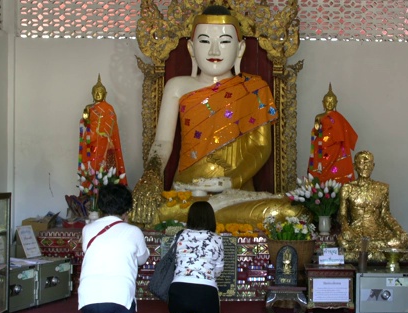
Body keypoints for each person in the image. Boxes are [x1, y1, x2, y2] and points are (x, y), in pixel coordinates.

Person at [131, 5, 306, 227]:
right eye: (204, 42)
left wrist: (230, 181)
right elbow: (163, 142)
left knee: (288, 211)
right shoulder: (177, 87)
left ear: (240, 49)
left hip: (234, 196)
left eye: (224, 42)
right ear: (191, 48)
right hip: (188, 195)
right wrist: (151, 174)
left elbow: (261, 149)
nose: (214, 51)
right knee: (146, 210)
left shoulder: (254, 88)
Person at [67, 184, 149, 313]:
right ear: (127, 208)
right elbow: (142, 259)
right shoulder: (134, 231)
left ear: (100, 206)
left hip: (88, 296)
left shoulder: (87, 229)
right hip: (118, 297)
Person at [338, 150, 408, 263]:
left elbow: (386, 214)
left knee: (403, 240)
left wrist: (399, 230)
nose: (365, 166)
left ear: (373, 166)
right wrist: (346, 229)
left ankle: (365, 250)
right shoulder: (347, 188)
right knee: (342, 241)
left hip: (378, 231)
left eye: (368, 163)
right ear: (354, 166)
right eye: (361, 162)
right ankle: (384, 252)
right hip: (356, 232)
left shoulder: (382, 188)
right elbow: (342, 215)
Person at [168, 201, 224, 313]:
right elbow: (218, 270)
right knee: (209, 304)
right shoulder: (217, 239)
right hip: (205, 293)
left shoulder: (179, 235)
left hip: (178, 291)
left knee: (182, 309)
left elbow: (174, 262)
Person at [78, 75, 128, 190]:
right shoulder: (89, 108)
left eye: (100, 92)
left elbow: (108, 128)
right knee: (91, 168)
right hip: (91, 144)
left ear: (105, 94)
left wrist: (94, 132)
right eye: (95, 92)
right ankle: (91, 193)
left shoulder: (109, 108)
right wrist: (85, 119)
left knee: (103, 168)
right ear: (92, 94)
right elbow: (85, 123)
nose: (97, 94)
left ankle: (104, 194)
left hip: (103, 143)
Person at [308, 83, 358, 184]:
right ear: (323, 103)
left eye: (332, 102)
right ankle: (319, 183)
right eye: (327, 102)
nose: (329, 104)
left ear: (336, 103)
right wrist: (317, 130)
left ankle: (338, 184)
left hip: (335, 147)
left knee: (337, 168)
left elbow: (342, 134)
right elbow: (316, 132)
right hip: (321, 146)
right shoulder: (319, 117)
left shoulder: (338, 117)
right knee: (319, 168)